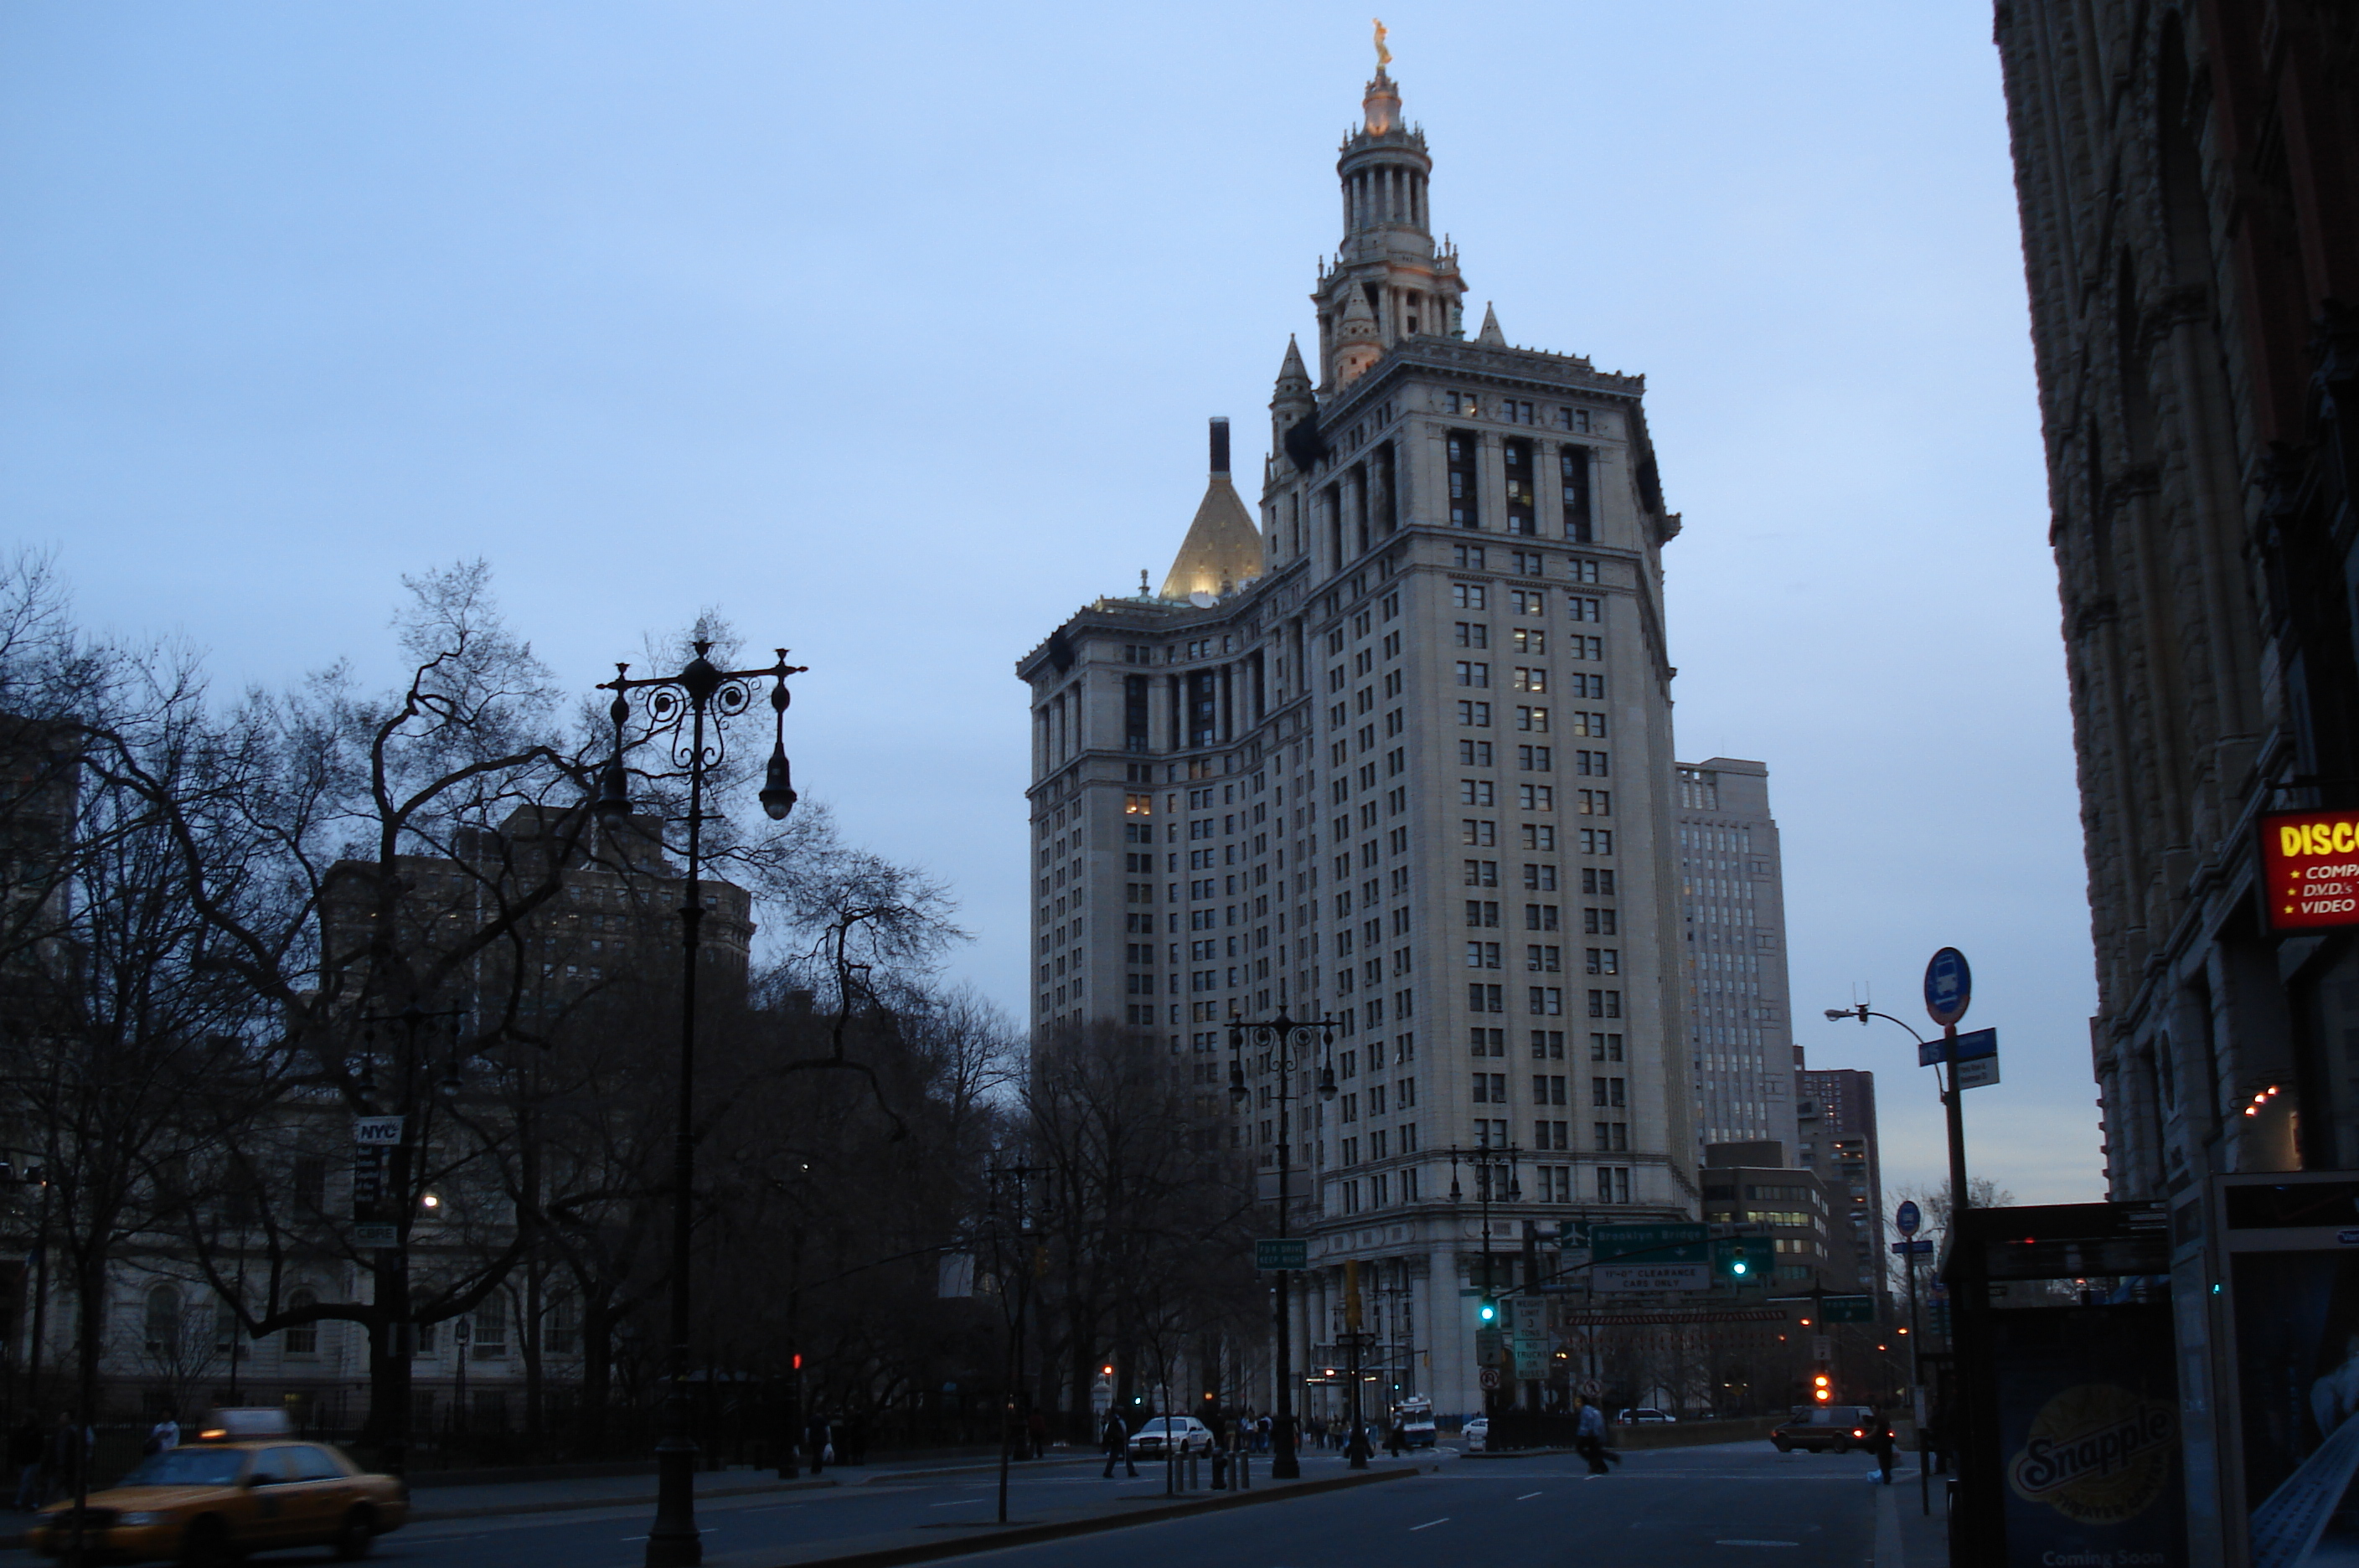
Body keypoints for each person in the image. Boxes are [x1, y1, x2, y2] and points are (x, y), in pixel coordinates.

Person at [1572, 1395, 1618, 1477]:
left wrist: (1586, 1432)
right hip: (1593, 1434)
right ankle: (1603, 1465)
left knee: (1582, 1449)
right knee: (1595, 1451)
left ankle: (1599, 1464)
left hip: (1589, 1434)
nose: (1576, 1404)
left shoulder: (1586, 1410)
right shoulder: (1590, 1409)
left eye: (1578, 1402)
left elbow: (1588, 1422)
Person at [9, 1416, 43, 1511]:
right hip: (25, 1461)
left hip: (31, 1461)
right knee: (30, 1483)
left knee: (25, 1481)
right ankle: (35, 1503)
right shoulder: (22, 1432)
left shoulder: (34, 1433)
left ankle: (18, 1502)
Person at [1101, 1410, 1136, 1478]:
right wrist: (1120, 1437)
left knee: (1127, 1456)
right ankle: (1107, 1472)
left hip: (1122, 1441)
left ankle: (1131, 1471)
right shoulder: (1114, 1421)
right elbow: (1113, 1431)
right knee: (1114, 1457)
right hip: (1117, 1441)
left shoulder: (1120, 1420)